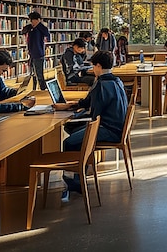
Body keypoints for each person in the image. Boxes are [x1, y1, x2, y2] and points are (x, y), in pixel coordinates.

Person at [54, 50, 128, 199]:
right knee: (72, 128)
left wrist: (75, 112)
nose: (93, 69)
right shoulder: (116, 80)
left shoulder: (101, 84)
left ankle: (74, 182)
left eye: (93, 66)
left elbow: (94, 112)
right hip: (116, 126)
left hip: (108, 129)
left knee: (69, 142)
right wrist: (73, 106)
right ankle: (80, 171)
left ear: (98, 66)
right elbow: (90, 103)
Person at [27, 11, 50, 90]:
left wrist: (38, 25)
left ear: (37, 20)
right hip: (32, 54)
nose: (31, 22)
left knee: (39, 74)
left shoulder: (41, 28)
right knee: (33, 73)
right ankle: (33, 89)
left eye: (32, 20)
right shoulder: (31, 28)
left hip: (39, 54)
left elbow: (47, 34)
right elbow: (23, 32)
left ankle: (43, 89)